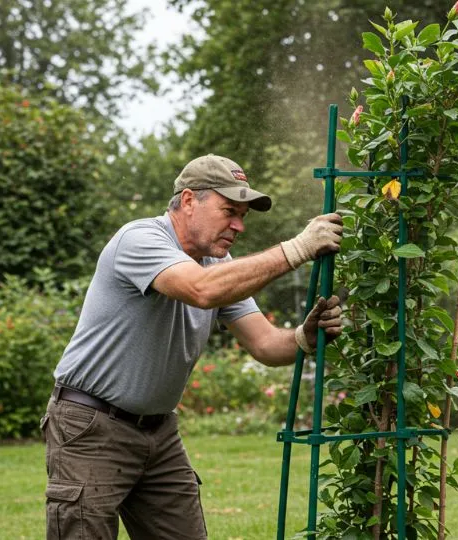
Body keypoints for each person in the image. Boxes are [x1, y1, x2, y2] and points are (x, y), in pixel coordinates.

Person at [41, 154, 343, 539]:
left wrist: (304, 338)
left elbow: (266, 345)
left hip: (159, 432)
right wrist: (298, 249)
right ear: (188, 201)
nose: (238, 225)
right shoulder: (140, 239)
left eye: (243, 216)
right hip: (92, 426)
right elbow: (200, 291)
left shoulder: (218, 265)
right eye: (229, 211)